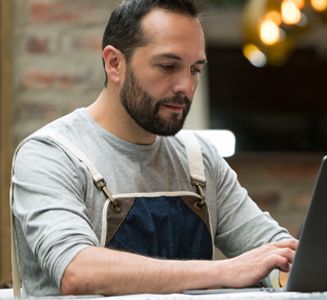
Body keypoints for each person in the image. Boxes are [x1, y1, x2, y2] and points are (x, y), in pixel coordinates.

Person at [10, 0, 297, 296]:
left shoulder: (199, 159)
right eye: (168, 66)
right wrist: (225, 271)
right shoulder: (50, 155)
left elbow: (271, 250)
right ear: (114, 64)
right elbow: (77, 269)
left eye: (195, 70)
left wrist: (291, 266)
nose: (185, 86)